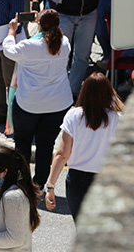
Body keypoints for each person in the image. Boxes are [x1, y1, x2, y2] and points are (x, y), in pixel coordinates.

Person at [2, 10, 73, 189]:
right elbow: (50, 40)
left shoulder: (29, 47)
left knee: (23, 142)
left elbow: (8, 50)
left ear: (39, 24)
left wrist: (11, 32)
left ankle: (21, 182)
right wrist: (42, 22)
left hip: (30, 104)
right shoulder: (65, 43)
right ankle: (39, 184)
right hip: (58, 104)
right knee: (46, 145)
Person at [44, 73, 124, 220]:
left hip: (77, 180)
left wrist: (50, 186)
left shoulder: (73, 116)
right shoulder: (118, 120)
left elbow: (62, 154)